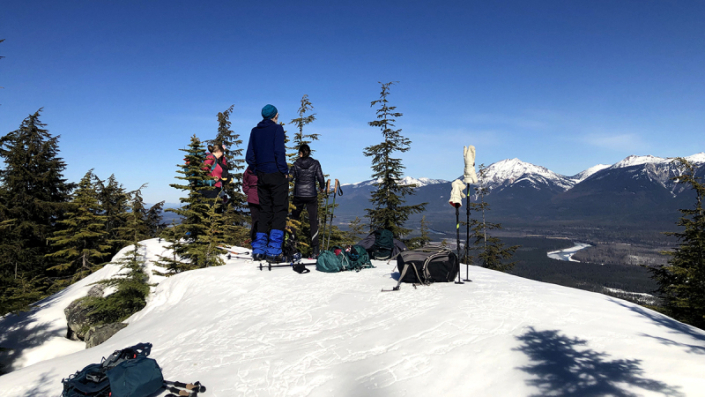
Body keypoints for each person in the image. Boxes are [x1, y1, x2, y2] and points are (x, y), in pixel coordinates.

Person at [245, 104, 289, 262]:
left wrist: (257, 170)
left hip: (261, 176)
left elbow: (249, 156)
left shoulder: (254, 131)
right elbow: (279, 152)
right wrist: (284, 171)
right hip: (276, 174)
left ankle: (258, 250)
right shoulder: (277, 129)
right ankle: (274, 251)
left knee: (264, 211)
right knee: (279, 210)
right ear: (275, 116)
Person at [289, 144, 325, 258]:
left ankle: (290, 246)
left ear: (300, 153)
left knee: (293, 220)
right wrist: (322, 187)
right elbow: (320, 178)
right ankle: (315, 250)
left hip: (298, 195)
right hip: (311, 195)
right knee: (313, 221)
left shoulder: (295, 164)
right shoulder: (315, 163)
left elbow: (290, 178)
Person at [242, 165, 260, 241]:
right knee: (263, 220)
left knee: (255, 220)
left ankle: (254, 240)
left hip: (252, 196)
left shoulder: (249, 169)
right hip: (263, 196)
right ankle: (260, 241)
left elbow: (244, 182)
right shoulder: (265, 167)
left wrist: (248, 191)